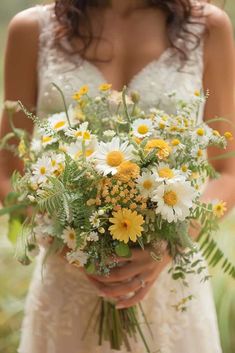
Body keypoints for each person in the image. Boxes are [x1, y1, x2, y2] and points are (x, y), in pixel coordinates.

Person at [1, 0, 235, 352]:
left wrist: (173, 241)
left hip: (170, 285)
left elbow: (229, 170)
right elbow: (6, 172)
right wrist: (68, 242)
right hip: (68, 283)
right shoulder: (31, 29)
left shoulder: (206, 27)